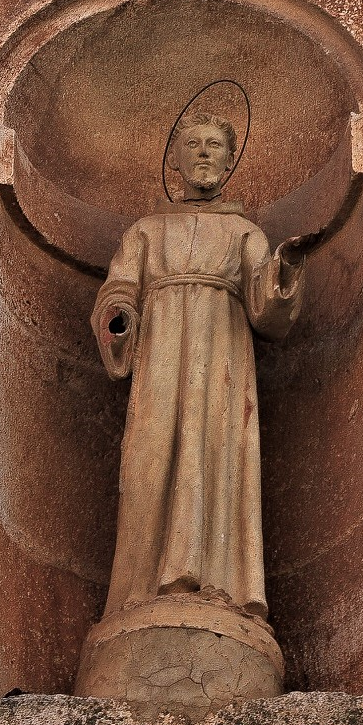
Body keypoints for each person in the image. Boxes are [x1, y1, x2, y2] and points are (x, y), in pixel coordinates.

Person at [86, 111, 305, 643]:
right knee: (149, 458)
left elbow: (265, 308)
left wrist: (281, 273)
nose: (204, 153)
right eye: (193, 145)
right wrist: (120, 316)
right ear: (176, 160)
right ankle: (140, 589)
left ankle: (219, 584)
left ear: (229, 162)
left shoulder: (244, 231)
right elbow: (118, 291)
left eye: (214, 146)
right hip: (160, 358)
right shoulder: (145, 231)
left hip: (223, 363)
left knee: (217, 456)